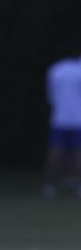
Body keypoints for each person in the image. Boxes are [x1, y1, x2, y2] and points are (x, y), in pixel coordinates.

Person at [44, 53, 81, 198]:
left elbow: (50, 96)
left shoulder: (55, 69)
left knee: (55, 152)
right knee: (77, 153)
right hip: (78, 119)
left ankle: (49, 185)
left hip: (59, 118)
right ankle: (77, 185)